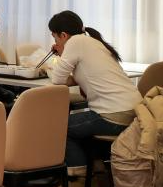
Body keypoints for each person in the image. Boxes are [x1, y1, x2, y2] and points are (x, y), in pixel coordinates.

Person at [47, 10, 141, 169]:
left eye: (55, 38)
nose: (56, 42)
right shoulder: (93, 42)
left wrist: (61, 54)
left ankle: (78, 176)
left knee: (57, 126)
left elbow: (57, 79)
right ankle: (95, 169)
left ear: (63, 35)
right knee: (74, 125)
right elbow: (78, 78)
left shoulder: (75, 42)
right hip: (133, 110)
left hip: (113, 114)